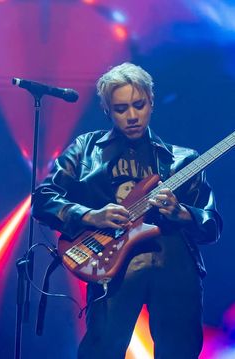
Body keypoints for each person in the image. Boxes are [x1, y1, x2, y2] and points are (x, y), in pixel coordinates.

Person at [32, 62, 222, 359]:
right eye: (121, 109)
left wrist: (181, 212)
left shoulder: (184, 161)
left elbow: (212, 226)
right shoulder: (86, 150)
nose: (132, 116)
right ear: (107, 110)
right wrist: (90, 215)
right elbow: (42, 199)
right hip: (113, 273)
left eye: (139, 105)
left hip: (175, 274)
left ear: (151, 102)